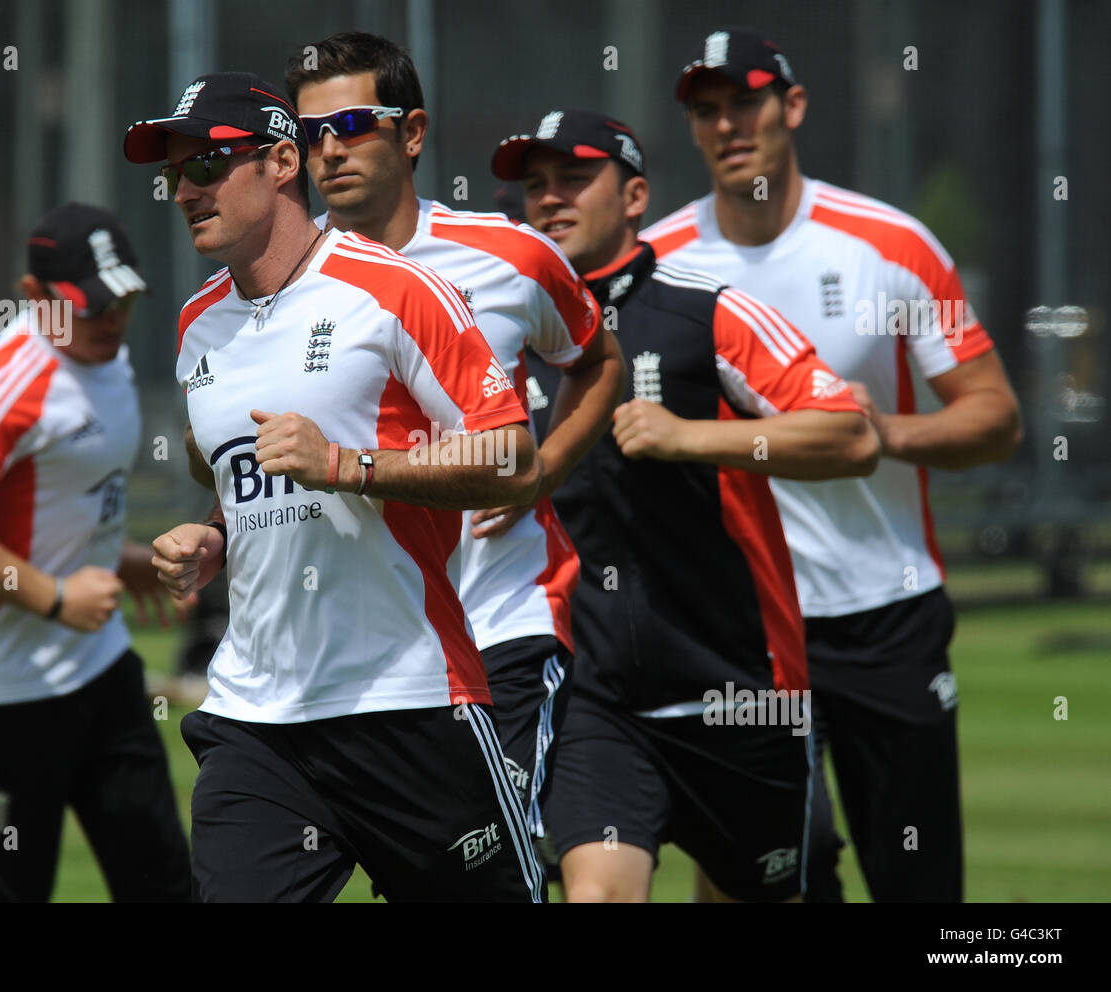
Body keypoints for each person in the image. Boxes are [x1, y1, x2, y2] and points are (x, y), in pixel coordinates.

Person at [123, 72, 547, 902]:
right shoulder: (194, 322)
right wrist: (213, 535)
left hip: (410, 701)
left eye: (207, 164)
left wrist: (348, 467)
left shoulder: (394, 289)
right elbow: (241, 474)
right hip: (258, 719)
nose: (184, 191)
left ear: (283, 162)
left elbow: (512, 457)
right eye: (173, 174)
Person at [642, 27, 1022, 901]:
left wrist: (865, 435)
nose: (728, 125)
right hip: (736, 631)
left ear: (794, 107)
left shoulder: (890, 244)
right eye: (707, 110)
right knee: (766, 878)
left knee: (922, 887)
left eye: (747, 102)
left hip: (883, 611)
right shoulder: (659, 263)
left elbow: (995, 418)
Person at [492, 108, 880, 901]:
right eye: (535, 186)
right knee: (597, 894)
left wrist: (688, 438)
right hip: (596, 696)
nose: (550, 199)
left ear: (635, 197)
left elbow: (852, 436)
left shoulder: (708, 310)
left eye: (575, 178)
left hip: (739, 687)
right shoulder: (503, 331)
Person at [285, 31, 625, 850]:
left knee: (499, 866)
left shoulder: (514, 256)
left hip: (498, 627)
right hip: (350, 658)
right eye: (310, 133)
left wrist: (538, 474)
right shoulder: (274, 284)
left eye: (356, 123)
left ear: (412, 133)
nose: (330, 150)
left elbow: (597, 361)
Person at [0, 203, 192, 903]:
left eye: (124, 300)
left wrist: (123, 559)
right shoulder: (9, 384)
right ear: (35, 299)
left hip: (100, 668)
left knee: (166, 882)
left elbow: (58, 505)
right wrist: (55, 599)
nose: (112, 319)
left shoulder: (106, 361)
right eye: (91, 307)